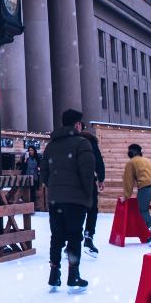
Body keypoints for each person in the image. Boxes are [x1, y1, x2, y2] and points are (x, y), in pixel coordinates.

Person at [39, 109, 95, 290]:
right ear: (77, 124)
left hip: (56, 200)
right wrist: (88, 195)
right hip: (75, 200)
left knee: (56, 237)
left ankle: (54, 274)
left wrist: (54, 187)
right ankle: (73, 275)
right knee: (74, 237)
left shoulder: (51, 146)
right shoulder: (82, 144)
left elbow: (44, 173)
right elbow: (87, 174)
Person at [81, 126, 106, 257]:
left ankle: (71, 243)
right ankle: (88, 237)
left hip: (73, 182)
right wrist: (101, 178)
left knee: (76, 210)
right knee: (91, 209)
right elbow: (98, 160)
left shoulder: (72, 141)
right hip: (89, 180)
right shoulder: (91, 141)